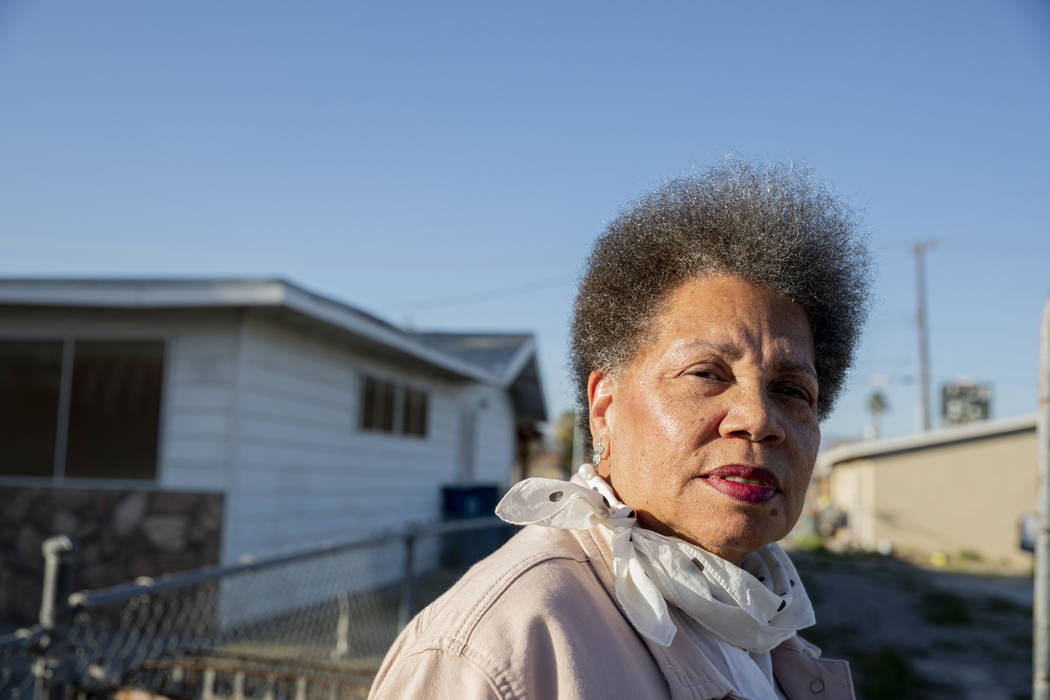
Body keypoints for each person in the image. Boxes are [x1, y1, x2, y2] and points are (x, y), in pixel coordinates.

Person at [369, 160, 871, 700]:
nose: (758, 419)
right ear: (604, 407)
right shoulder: (501, 646)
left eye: (792, 390)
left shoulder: (756, 621)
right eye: (706, 373)